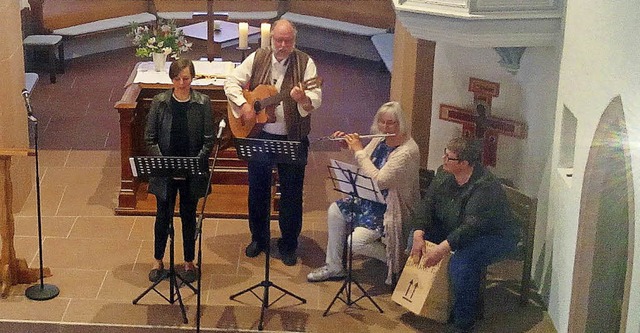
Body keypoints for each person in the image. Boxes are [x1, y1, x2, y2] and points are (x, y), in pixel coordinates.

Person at [224, 19, 322, 266]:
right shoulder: (258, 57)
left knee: (291, 194)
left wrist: (302, 100)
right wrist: (245, 105)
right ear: (271, 40)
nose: (282, 45)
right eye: (278, 40)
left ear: (294, 41)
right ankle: (259, 239)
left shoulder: (305, 63)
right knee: (257, 191)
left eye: (287, 41)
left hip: (292, 138)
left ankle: (289, 244)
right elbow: (230, 83)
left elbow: (315, 101)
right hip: (260, 136)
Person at [409, 136, 518, 333]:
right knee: (415, 241)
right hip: (458, 227)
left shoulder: (485, 186)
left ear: (465, 163)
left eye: (449, 157)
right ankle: (435, 301)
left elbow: (472, 227)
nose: (443, 159)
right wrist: (418, 233)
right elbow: (428, 204)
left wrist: (442, 249)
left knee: (462, 264)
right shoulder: (444, 174)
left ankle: (464, 321)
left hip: (493, 236)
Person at [307, 101, 420, 285]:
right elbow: (361, 164)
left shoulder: (406, 151)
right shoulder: (380, 139)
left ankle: (398, 261)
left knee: (356, 242)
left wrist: (359, 150)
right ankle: (334, 266)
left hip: (390, 207)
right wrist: (348, 146)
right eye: (382, 122)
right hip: (369, 198)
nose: (385, 127)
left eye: (390, 123)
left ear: (401, 123)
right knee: (335, 211)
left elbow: (379, 180)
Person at [144, 58, 215, 283]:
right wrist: (163, 162)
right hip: (165, 169)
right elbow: (150, 137)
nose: (182, 83)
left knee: (188, 215)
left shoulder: (203, 102)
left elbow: (208, 139)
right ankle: (157, 260)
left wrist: (195, 161)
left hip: (191, 169)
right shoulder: (160, 102)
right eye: (177, 79)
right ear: (171, 79)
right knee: (162, 215)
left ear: (192, 77)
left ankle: (189, 261)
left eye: (186, 78)